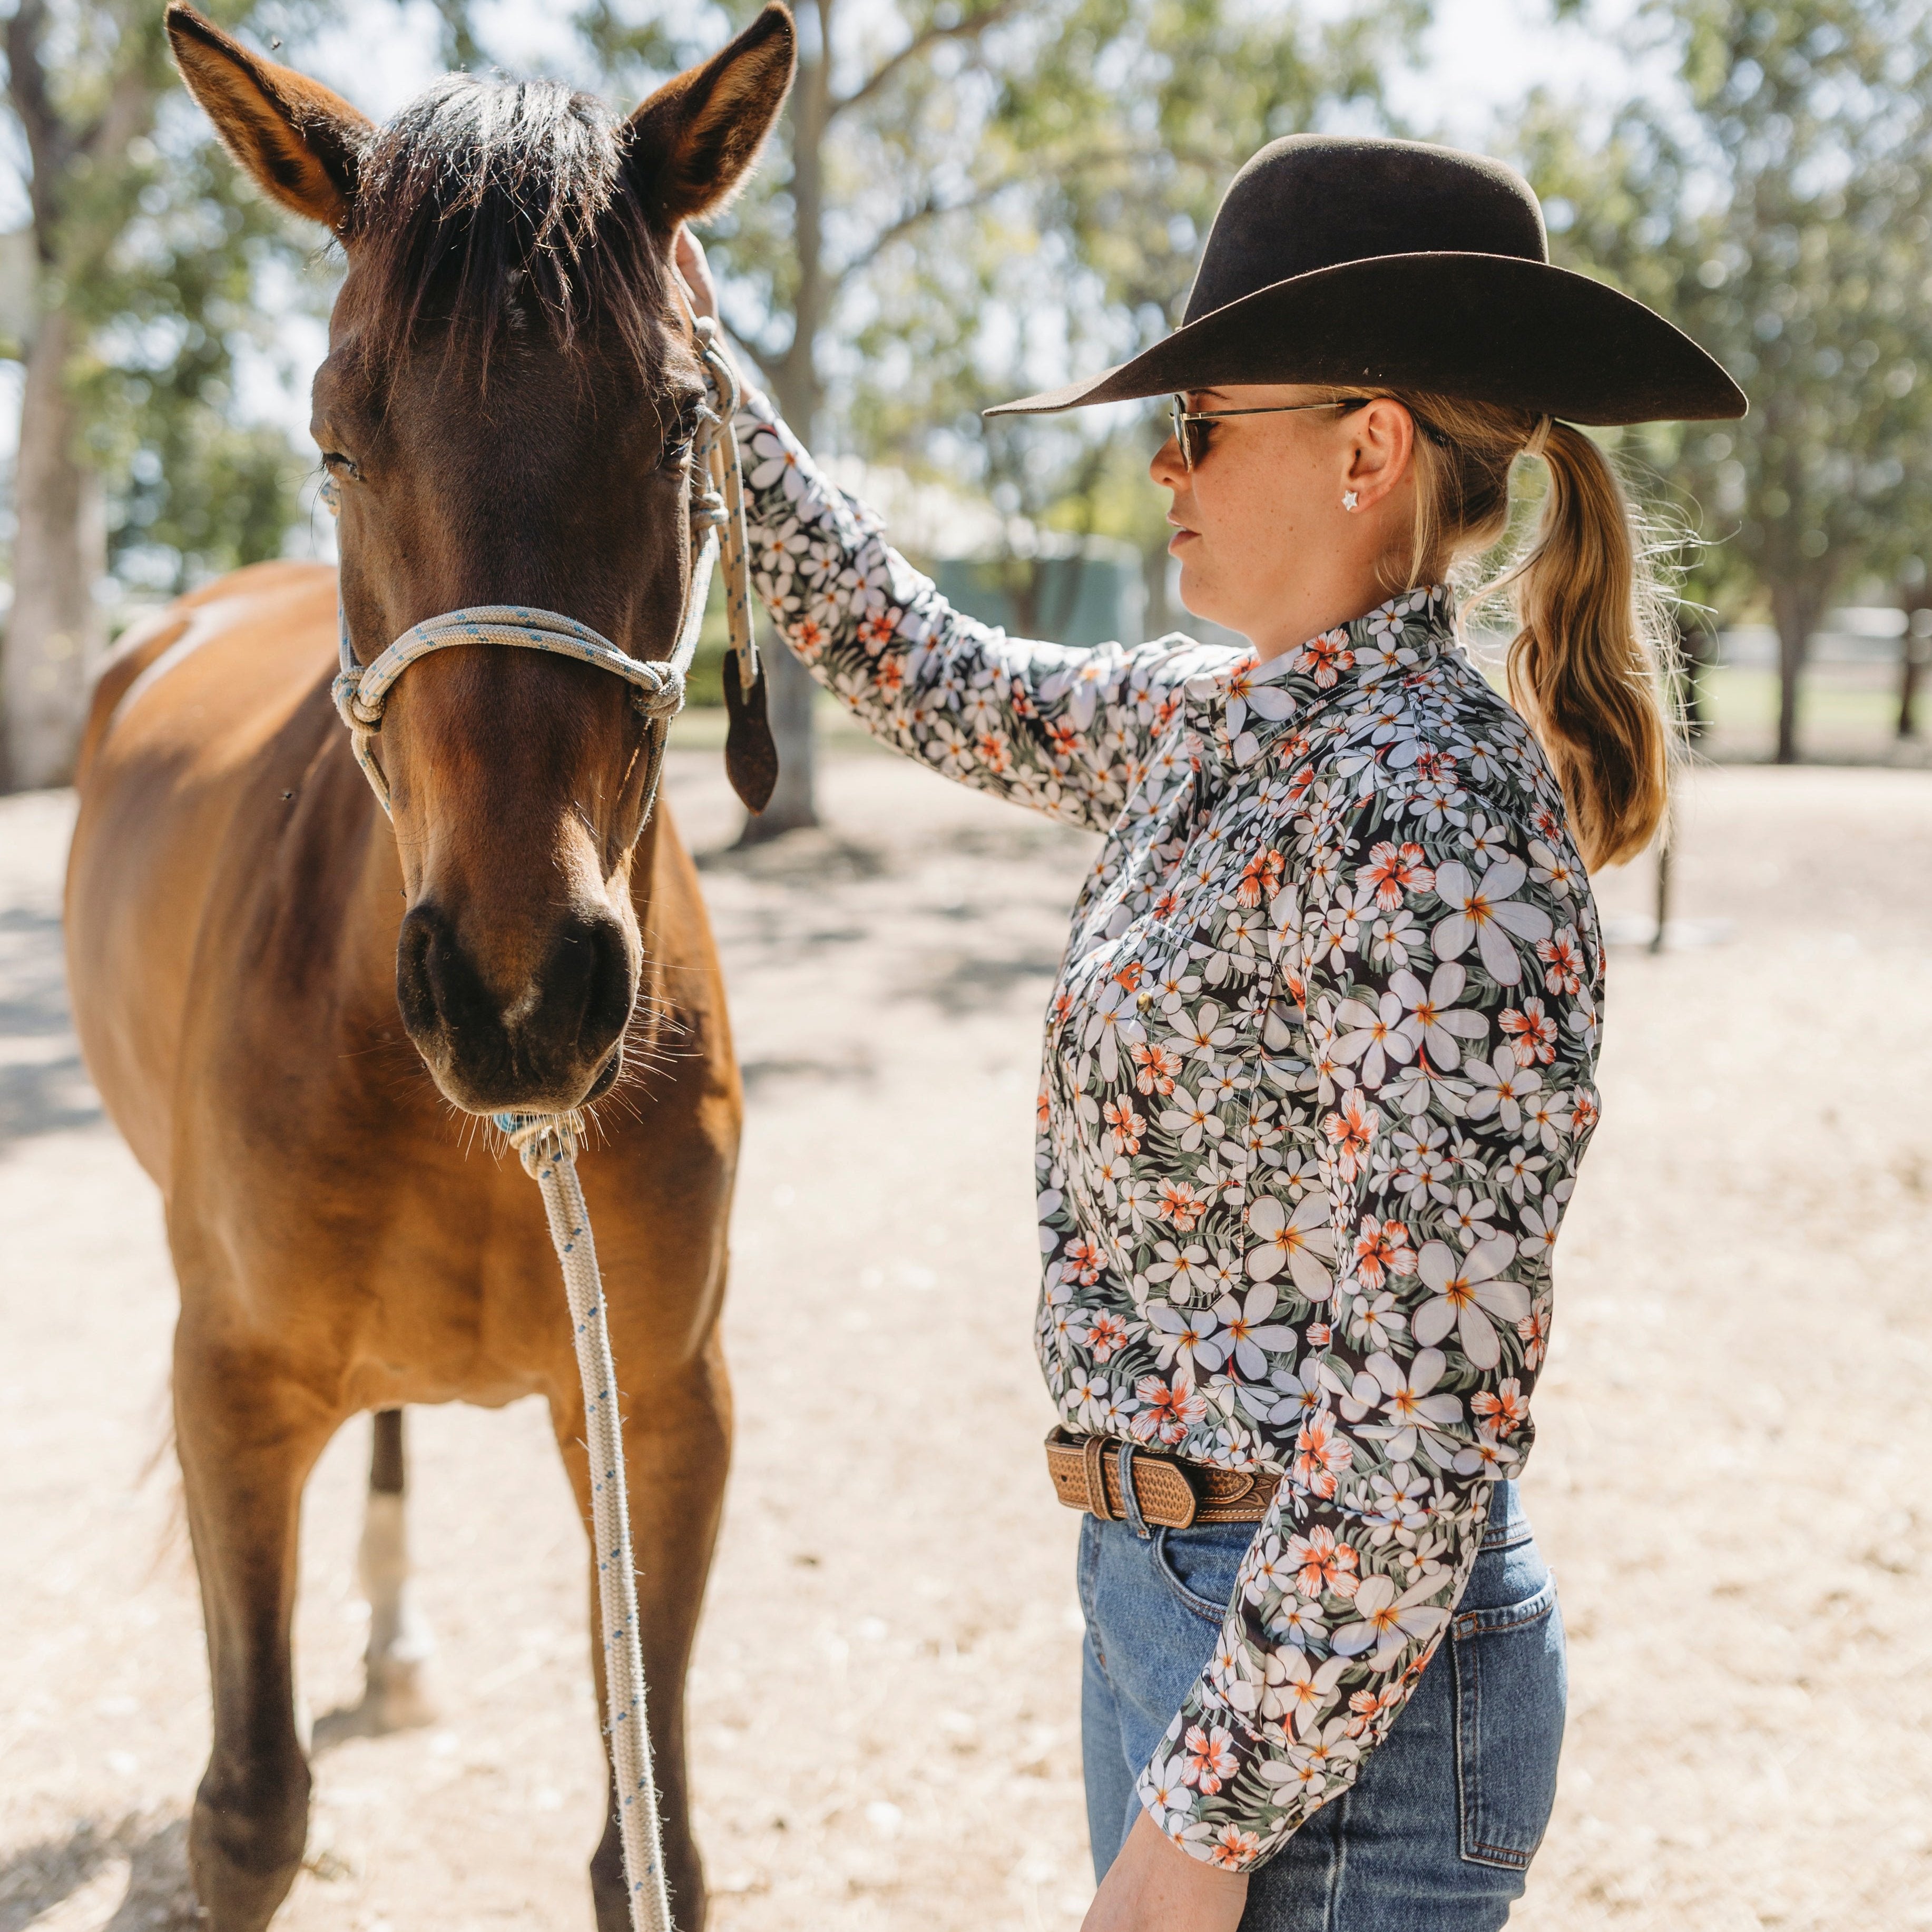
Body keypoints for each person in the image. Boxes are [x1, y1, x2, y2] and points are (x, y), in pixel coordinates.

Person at [675, 133, 1743, 1932]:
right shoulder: (1216, 725)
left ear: (1367, 447)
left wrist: (1204, 1818)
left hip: (1323, 1699)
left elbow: (1421, 1407)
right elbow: (910, 662)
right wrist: (708, 381)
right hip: (1175, 1601)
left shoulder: (1439, 813)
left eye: (1202, 420)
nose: (1162, 464)